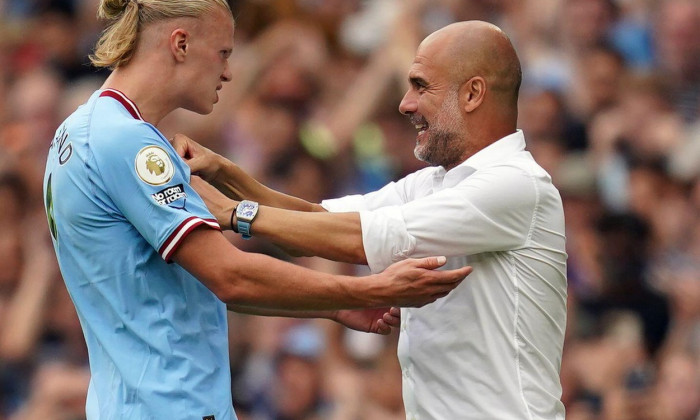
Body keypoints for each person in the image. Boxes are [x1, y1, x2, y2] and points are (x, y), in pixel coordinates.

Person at [41, 1, 473, 419]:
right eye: (224, 53)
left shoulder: (75, 131)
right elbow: (230, 275)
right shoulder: (128, 142)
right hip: (171, 406)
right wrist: (372, 289)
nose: (229, 72)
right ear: (181, 44)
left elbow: (181, 289)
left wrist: (326, 306)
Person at [177, 20, 568, 419]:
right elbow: (314, 221)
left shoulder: (516, 185)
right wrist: (225, 174)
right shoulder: (432, 183)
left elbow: (360, 239)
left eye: (420, 86)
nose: (405, 103)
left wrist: (234, 213)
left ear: (472, 94)